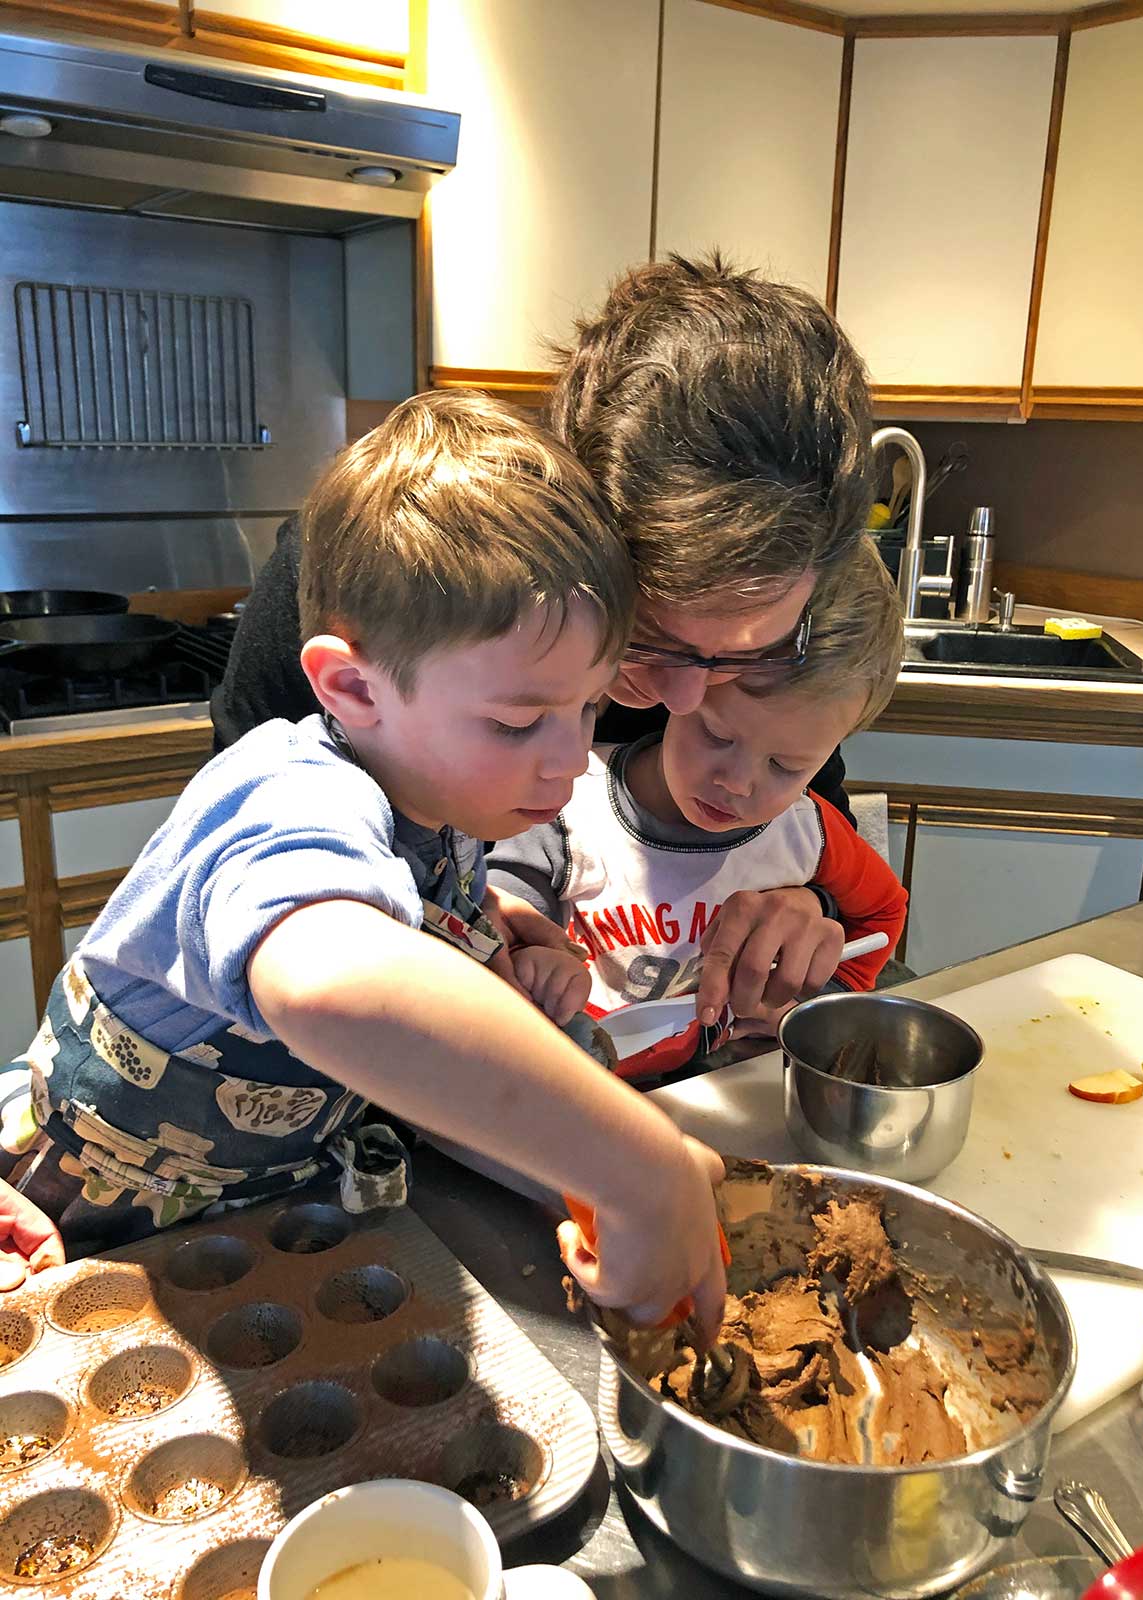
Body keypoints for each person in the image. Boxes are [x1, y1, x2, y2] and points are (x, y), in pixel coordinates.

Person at [0, 393, 727, 1337]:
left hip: (255, 1222)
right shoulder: (286, 791)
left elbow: (414, 955)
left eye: (588, 707)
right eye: (518, 722)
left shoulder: (443, 800)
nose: (568, 757)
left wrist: (495, 938)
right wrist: (637, 1166)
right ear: (351, 687)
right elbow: (330, 980)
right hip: (77, 1233)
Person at [211, 254, 876, 1029]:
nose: (687, 697)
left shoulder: (793, 597)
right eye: (653, 639)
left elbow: (817, 819)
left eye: (748, 652)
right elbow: (255, 888)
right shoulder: (369, 585)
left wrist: (804, 902)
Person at [488, 539, 906, 1035]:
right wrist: (535, 964)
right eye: (716, 736)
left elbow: (880, 912)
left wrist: (810, 1013)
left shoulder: (810, 826)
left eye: (786, 766)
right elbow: (501, 924)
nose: (737, 782)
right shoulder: (567, 800)